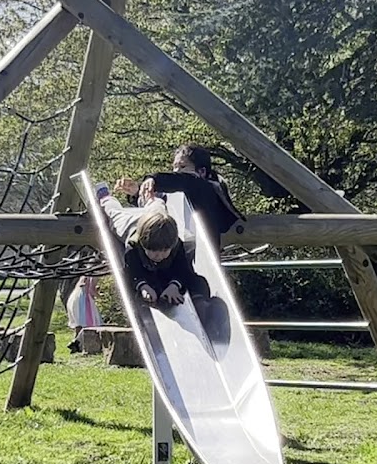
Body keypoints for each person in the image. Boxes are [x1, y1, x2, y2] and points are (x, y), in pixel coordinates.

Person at [116, 143, 245, 251]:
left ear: (202, 172)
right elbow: (158, 199)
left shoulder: (205, 187)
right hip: (178, 251)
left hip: (203, 255)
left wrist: (153, 179)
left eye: (182, 166)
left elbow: (183, 181)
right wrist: (137, 191)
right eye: (175, 166)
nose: (176, 171)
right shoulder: (176, 192)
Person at [98, 182, 209, 306]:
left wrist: (174, 285)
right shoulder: (133, 246)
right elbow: (132, 272)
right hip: (130, 223)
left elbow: (183, 268)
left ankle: (151, 197)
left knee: (158, 206)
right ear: (144, 245)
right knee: (114, 213)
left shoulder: (175, 244)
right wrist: (143, 286)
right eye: (153, 251)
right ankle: (105, 197)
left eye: (164, 251)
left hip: (154, 218)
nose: (159, 256)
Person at [65, 275, 100, 353]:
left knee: (79, 324)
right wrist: (100, 297)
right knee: (90, 323)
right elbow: (91, 290)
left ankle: (77, 344)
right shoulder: (95, 275)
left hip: (74, 297)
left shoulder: (84, 275)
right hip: (83, 299)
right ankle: (78, 342)